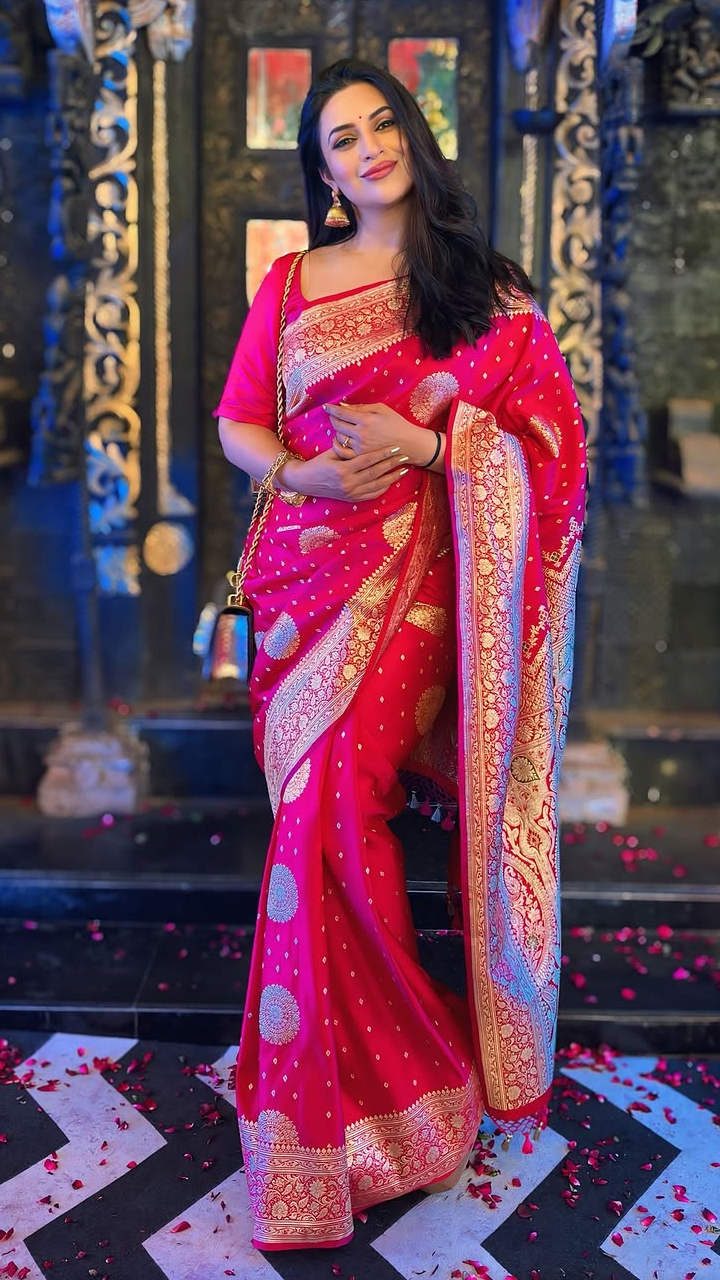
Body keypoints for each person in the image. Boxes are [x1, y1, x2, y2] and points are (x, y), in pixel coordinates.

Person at [215, 57, 586, 1252]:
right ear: (321, 171)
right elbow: (237, 422)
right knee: (312, 821)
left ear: (413, 141)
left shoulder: (483, 289)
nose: (368, 147)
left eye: (382, 125)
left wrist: (430, 449)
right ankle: (369, 1090)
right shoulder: (290, 280)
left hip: (420, 590)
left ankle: (397, 1092)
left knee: (333, 805)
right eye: (342, 138)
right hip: (303, 586)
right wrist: (305, 471)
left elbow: (551, 453)